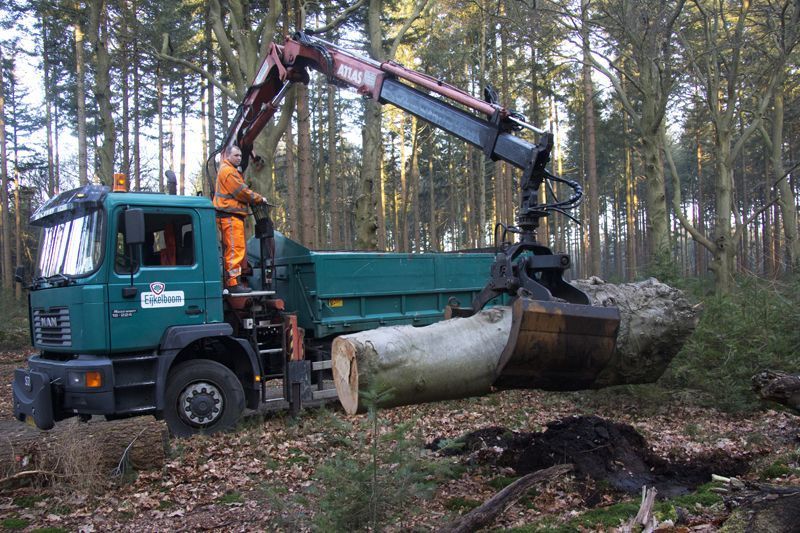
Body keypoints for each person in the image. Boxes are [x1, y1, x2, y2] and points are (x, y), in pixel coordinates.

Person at [213, 145, 266, 294]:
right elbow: (241, 192)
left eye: (240, 156)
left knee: (235, 248)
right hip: (229, 215)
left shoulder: (228, 170)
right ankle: (232, 283)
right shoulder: (229, 172)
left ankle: (233, 280)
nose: (239, 158)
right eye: (236, 155)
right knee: (234, 249)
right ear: (228, 156)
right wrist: (259, 199)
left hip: (231, 215)